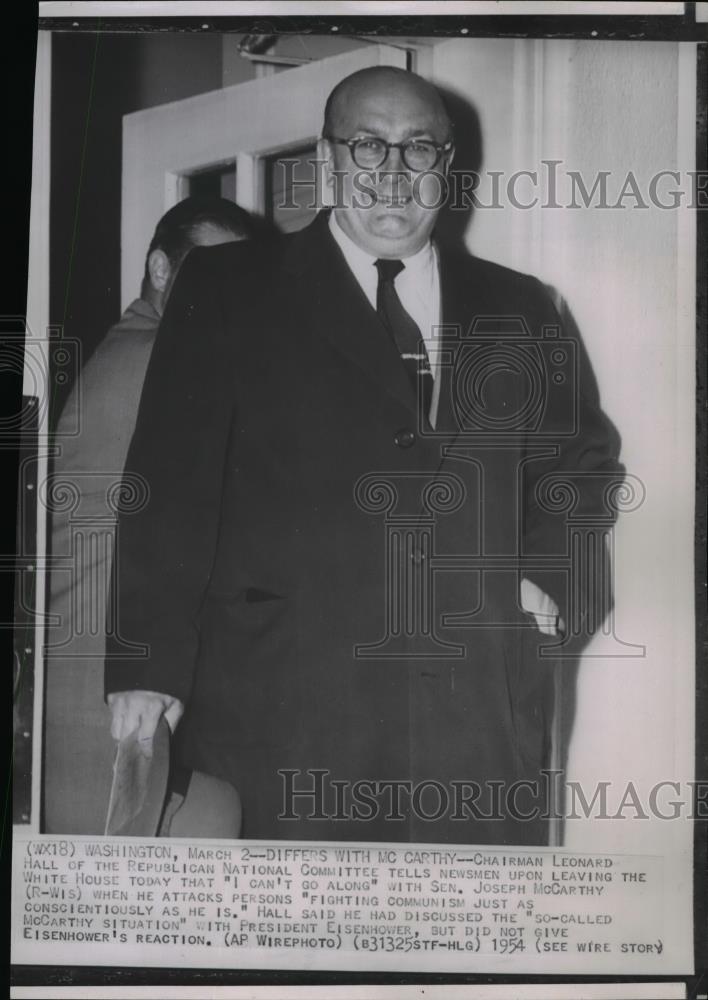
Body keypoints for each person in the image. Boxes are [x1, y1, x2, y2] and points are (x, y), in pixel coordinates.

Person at [105, 68, 623, 844]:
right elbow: (170, 489)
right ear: (325, 157)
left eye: (418, 150)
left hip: (477, 727)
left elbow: (581, 465)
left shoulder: (521, 305)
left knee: (464, 953)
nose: (392, 175)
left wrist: (550, 580)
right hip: (284, 715)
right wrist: (146, 668)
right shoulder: (226, 289)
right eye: (368, 147)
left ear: (447, 166)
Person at [44, 196, 256, 836]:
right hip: (110, 714)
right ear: (160, 270)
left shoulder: (130, 348)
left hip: (104, 692)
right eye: (209, 272)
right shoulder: (154, 365)